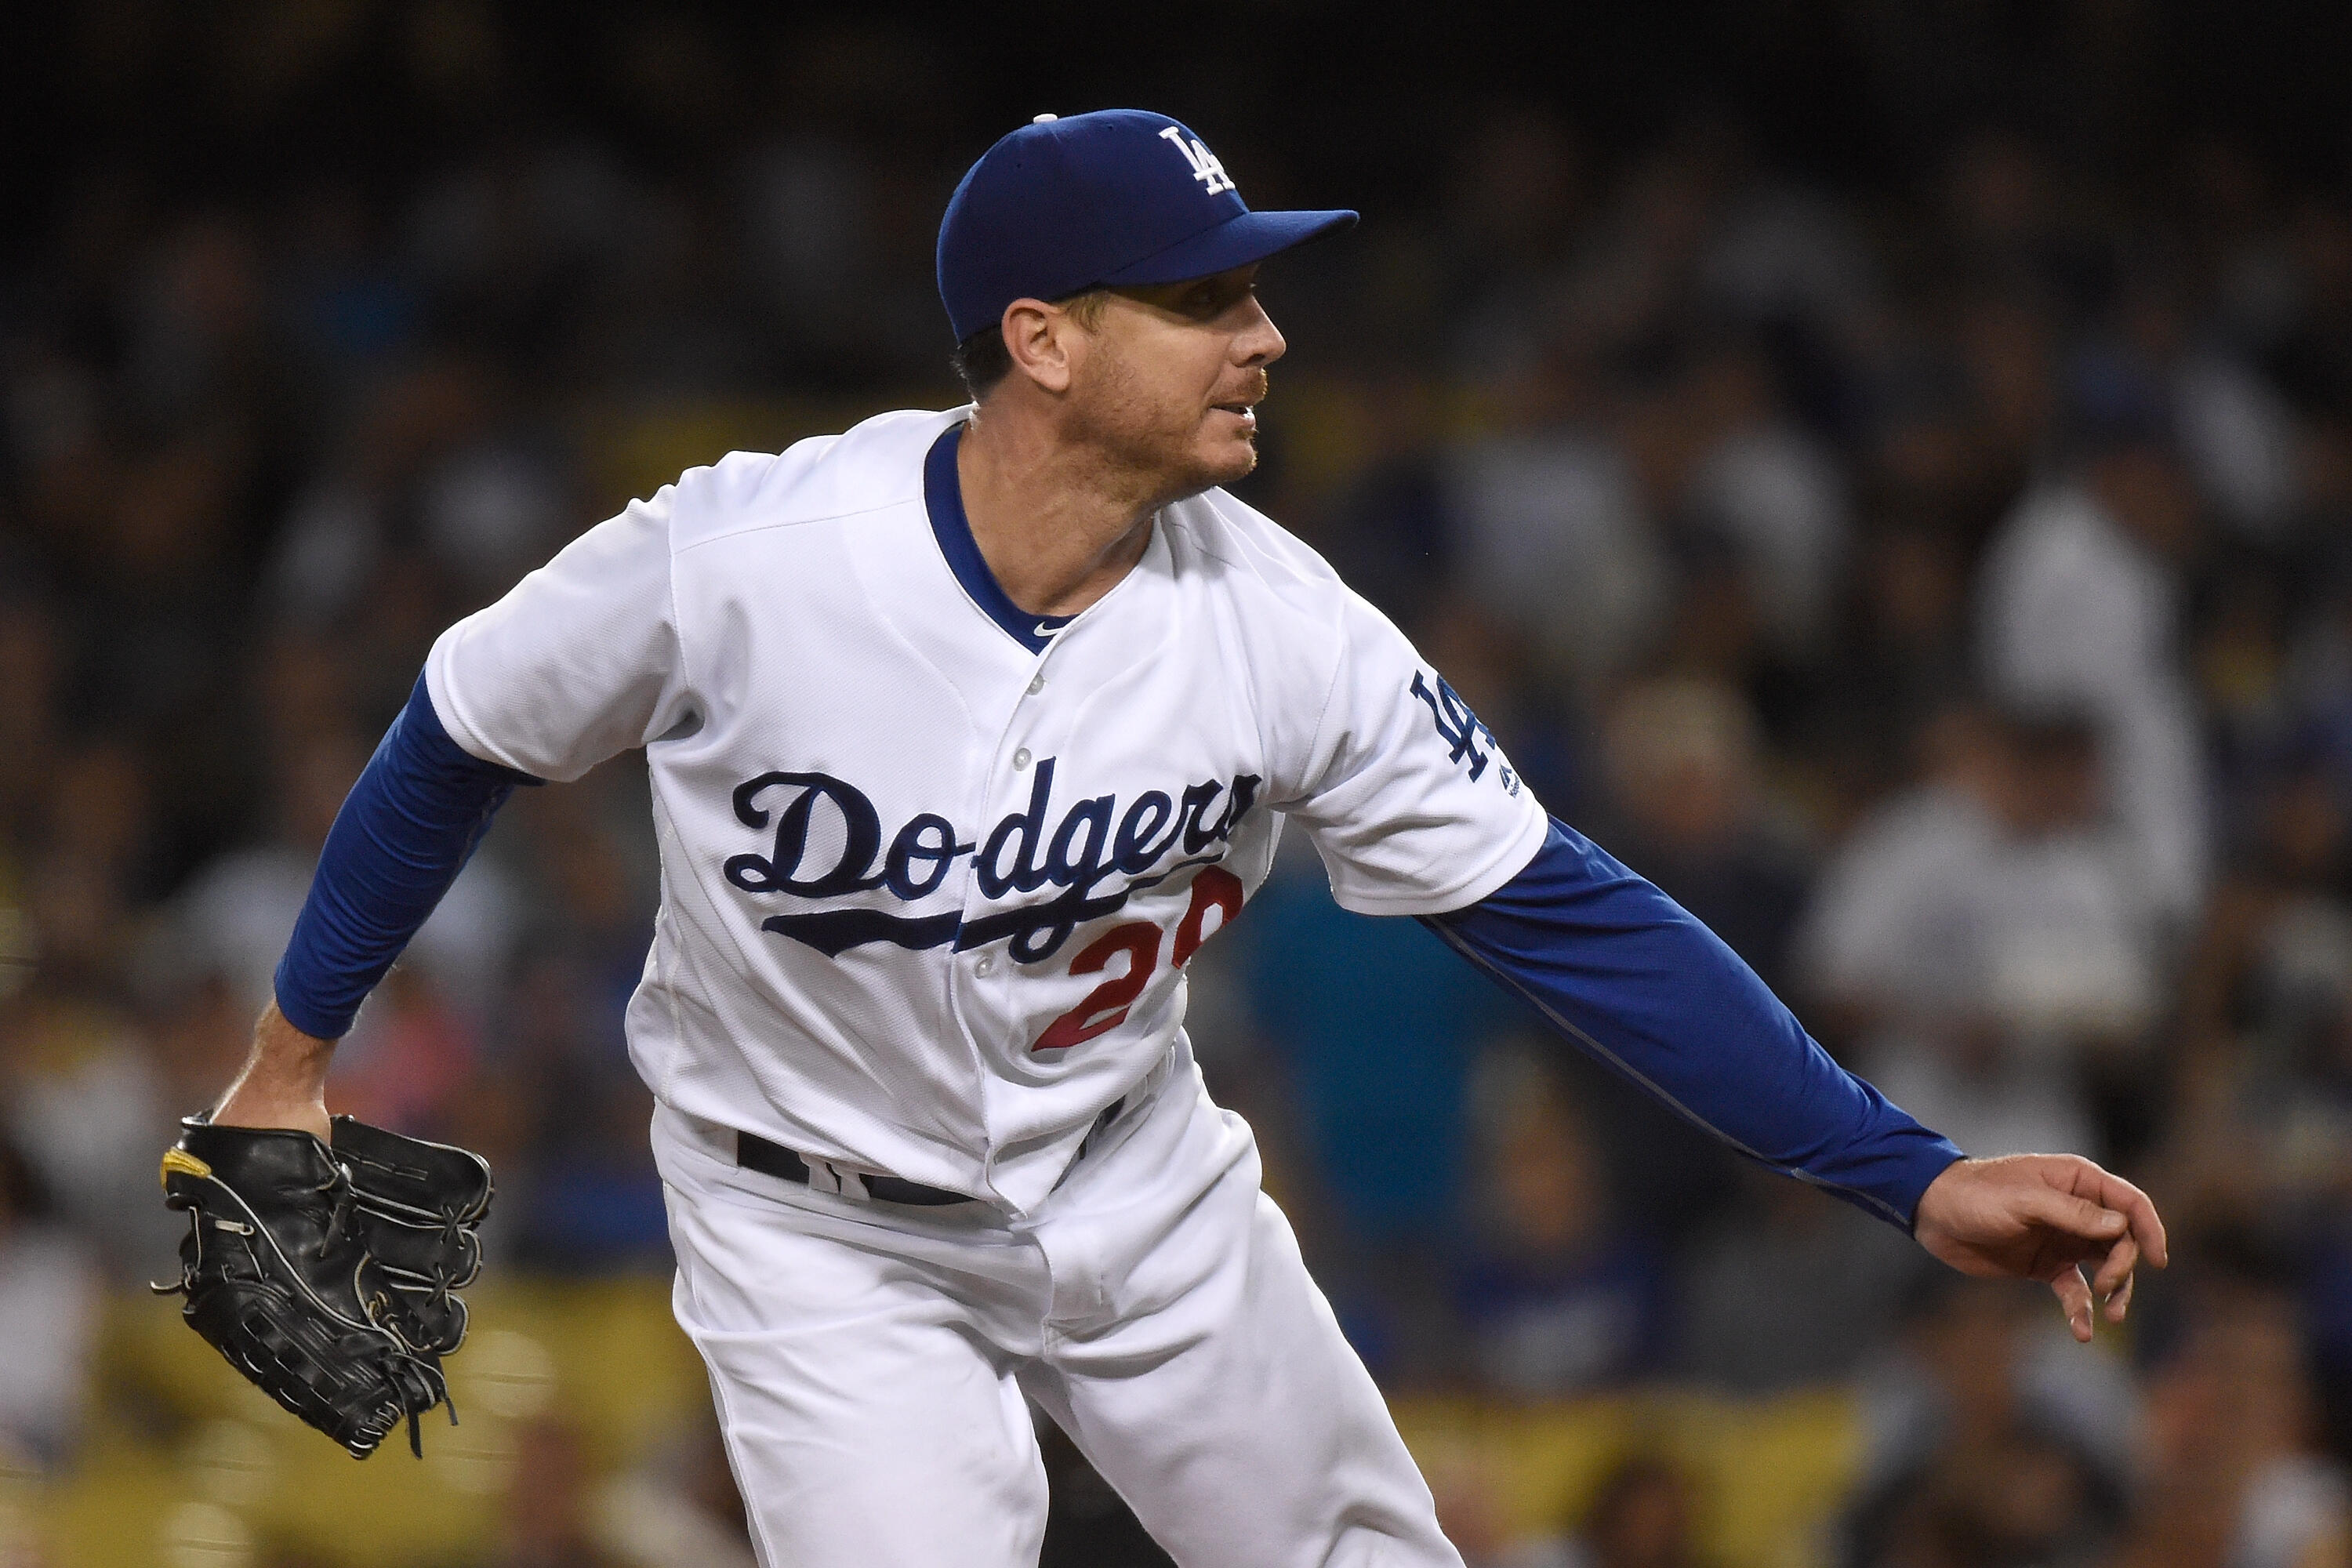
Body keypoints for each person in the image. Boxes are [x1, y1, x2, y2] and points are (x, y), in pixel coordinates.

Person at [201, 110, 2167, 1568]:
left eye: (1259, 289)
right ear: (1042, 340)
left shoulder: (1278, 620)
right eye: (1209, 297)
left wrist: (1902, 1173)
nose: (1266, 334)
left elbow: (1564, 910)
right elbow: (461, 725)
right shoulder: (746, 559)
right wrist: (295, 1052)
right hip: (815, 1232)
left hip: (1139, 1188)